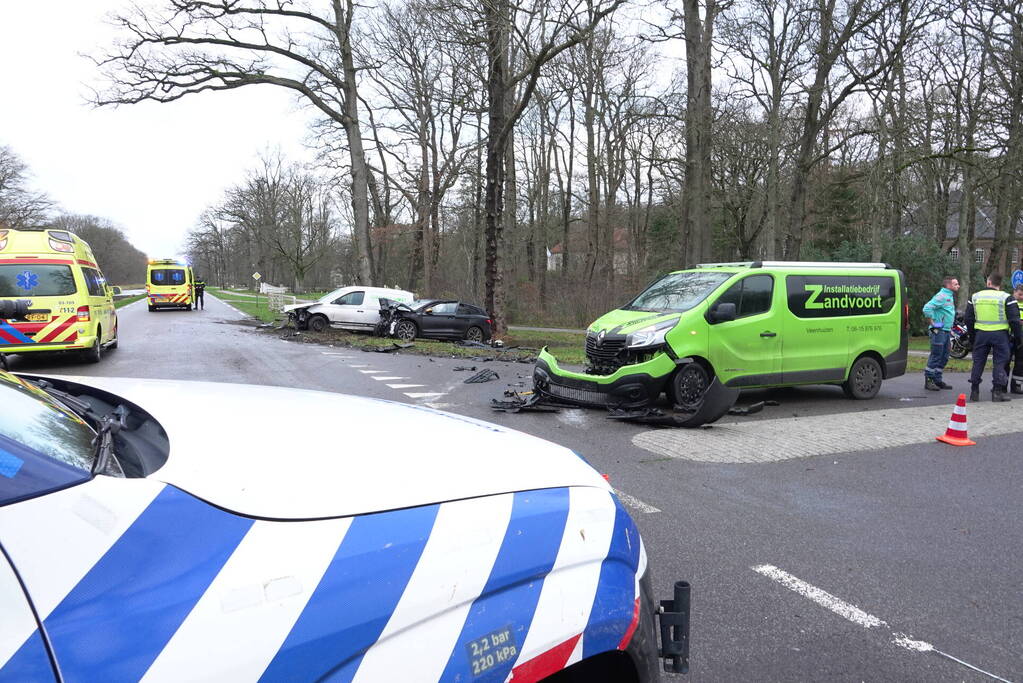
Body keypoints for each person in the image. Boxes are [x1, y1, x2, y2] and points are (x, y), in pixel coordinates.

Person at [964, 272, 1021, 402]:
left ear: (988, 282)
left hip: (981, 334)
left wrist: (973, 336)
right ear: (999, 284)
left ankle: (974, 391)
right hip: (1000, 335)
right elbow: (1015, 321)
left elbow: (968, 318)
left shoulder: (975, 297)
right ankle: (997, 392)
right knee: (1000, 363)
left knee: (978, 362)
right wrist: (1018, 338)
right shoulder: (1006, 298)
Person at [922, 276, 959, 391]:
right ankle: (929, 381)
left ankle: (937, 379)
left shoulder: (949, 296)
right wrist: (933, 323)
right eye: (955, 284)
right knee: (936, 355)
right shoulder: (942, 296)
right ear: (948, 285)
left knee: (945, 356)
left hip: (946, 331)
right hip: (938, 330)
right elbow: (927, 308)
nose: (958, 286)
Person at [1008, 285, 1023, 394]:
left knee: (1020, 362)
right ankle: (1001, 386)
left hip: (1021, 337)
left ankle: (1016, 385)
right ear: (1014, 292)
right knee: (1004, 362)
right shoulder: (1008, 302)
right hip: (1008, 336)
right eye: (1020, 294)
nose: (1022, 297)